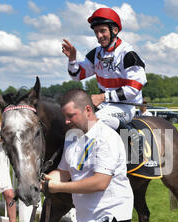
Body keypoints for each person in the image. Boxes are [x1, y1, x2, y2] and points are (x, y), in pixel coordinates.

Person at [43, 89, 133, 222]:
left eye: (70, 116)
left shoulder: (106, 138)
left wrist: (59, 188)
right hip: (86, 218)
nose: (66, 121)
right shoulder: (73, 137)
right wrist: (45, 180)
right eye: (64, 116)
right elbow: (65, 172)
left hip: (111, 217)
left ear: (87, 110)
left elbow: (100, 182)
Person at [62, 7, 147, 161]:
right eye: (96, 32)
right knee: (75, 118)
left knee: (95, 120)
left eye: (102, 31)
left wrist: (103, 97)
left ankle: (133, 136)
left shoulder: (128, 54)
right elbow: (78, 75)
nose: (99, 36)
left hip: (125, 106)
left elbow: (134, 88)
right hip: (105, 105)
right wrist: (72, 59)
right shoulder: (96, 54)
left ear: (114, 30)